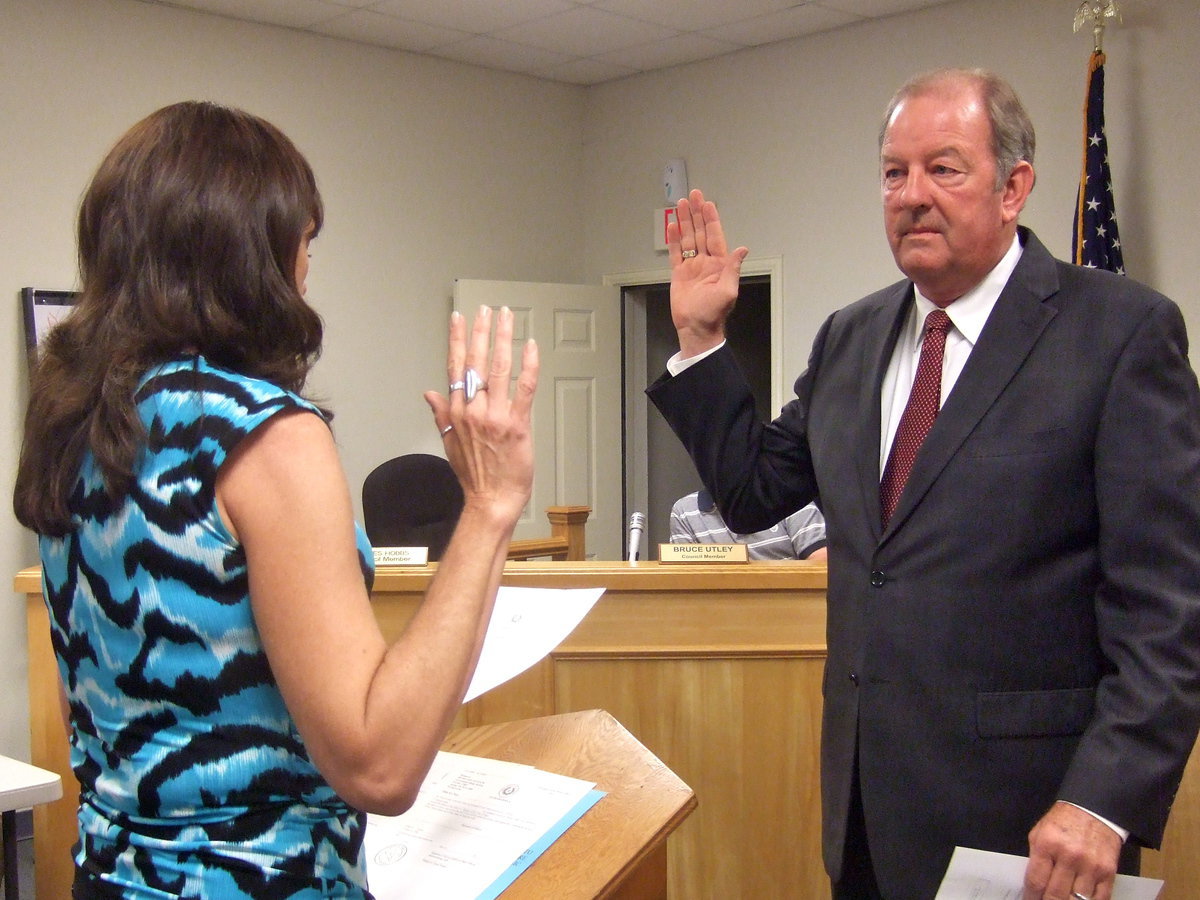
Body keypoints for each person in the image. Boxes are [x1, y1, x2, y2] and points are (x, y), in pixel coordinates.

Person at [647, 68, 1200, 900]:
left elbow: (1168, 604)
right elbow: (757, 492)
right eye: (894, 172)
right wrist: (701, 337)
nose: (912, 195)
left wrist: (1104, 800)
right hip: (868, 815)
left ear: (1014, 186)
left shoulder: (1119, 334)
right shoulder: (851, 338)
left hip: (1036, 823)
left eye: (944, 168)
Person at [12, 101, 538, 898]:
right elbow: (379, 764)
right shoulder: (266, 437)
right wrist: (490, 505)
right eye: (302, 241)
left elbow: (97, 703)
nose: (306, 266)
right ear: (249, 253)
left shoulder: (75, 423)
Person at [670, 489, 827, 560]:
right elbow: (681, 581)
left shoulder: (789, 496)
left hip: (789, 615)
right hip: (714, 619)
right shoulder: (684, 511)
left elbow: (823, 565)